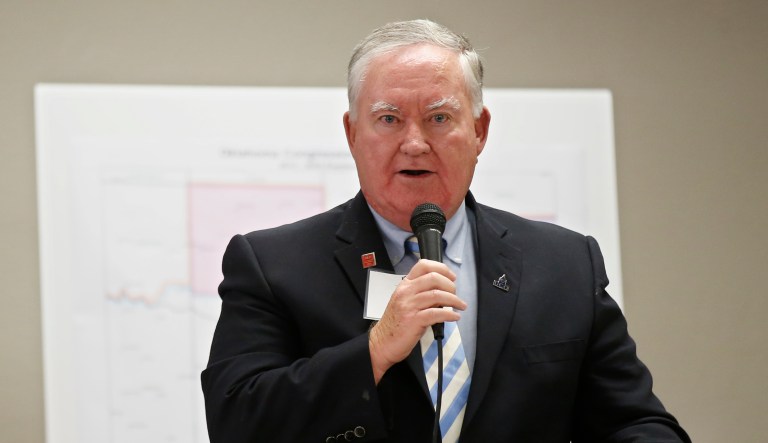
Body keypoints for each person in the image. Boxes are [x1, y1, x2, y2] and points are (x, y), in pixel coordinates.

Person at [201, 19, 690, 442]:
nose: (414, 143)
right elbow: (237, 424)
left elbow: (631, 421)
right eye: (388, 119)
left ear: (479, 131)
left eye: (439, 118)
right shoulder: (273, 265)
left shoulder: (564, 264)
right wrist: (373, 351)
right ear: (352, 134)